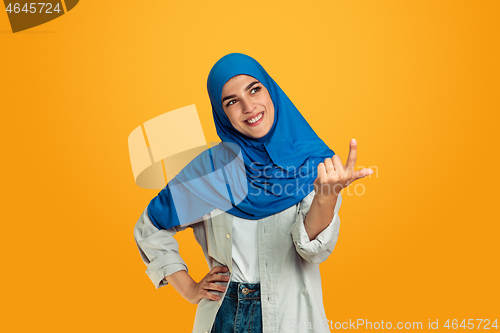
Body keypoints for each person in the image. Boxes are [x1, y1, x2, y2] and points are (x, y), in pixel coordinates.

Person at [133, 53, 373, 333]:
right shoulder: (211, 171)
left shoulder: (314, 164)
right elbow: (150, 228)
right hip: (224, 316)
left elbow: (311, 251)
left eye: (254, 89)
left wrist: (326, 197)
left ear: (271, 91)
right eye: (232, 102)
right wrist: (188, 288)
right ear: (222, 113)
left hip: (290, 317)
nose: (248, 107)